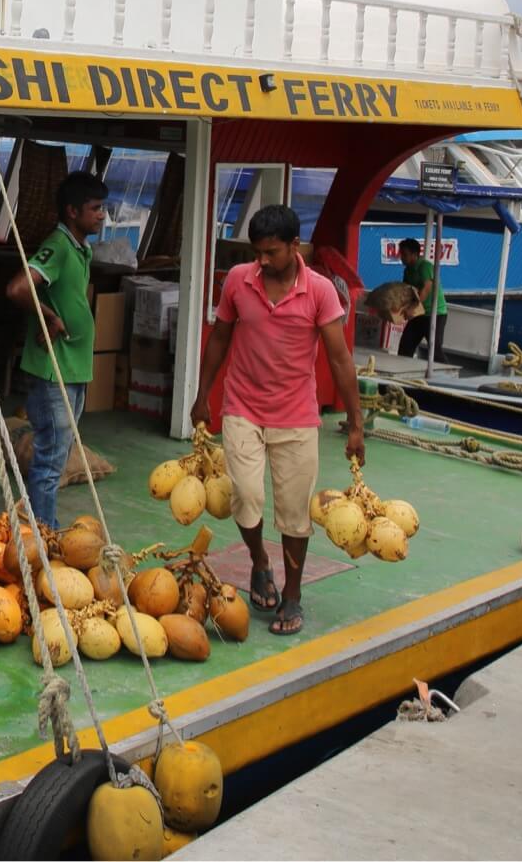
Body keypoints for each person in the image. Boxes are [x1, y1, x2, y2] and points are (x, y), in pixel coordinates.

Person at [189, 204, 363, 637]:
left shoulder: (320, 291)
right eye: (257, 252)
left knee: (294, 515)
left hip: (296, 417)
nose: (262, 261)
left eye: (270, 252)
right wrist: (201, 396)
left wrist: (356, 423)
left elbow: (340, 359)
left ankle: (293, 594)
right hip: (242, 407)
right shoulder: (237, 281)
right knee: (245, 497)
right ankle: (259, 562)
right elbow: (220, 339)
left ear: (293, 245)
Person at [4, 171, 108, 530]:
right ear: (72, 211)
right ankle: (41, 534)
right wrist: (50, 317)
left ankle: (42, 525)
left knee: (58, 456)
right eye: (95, 208)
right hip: (54, 368)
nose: (102, 215)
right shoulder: (60, 246)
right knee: (50, 460)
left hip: (73, 367)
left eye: (103, 207)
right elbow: (18, 289)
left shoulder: (82, 248)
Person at [395, 237, 446, 358]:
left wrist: (412, 308)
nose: (401, 257)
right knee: (405, 347)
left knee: (435, 350)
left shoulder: (425, 266)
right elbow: (407, 291)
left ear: (414, 254)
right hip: (419, 314)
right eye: (401, 254)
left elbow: (426, 289)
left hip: (435, 313)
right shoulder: (407, 271)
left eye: (405, 254)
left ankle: (447, 375)